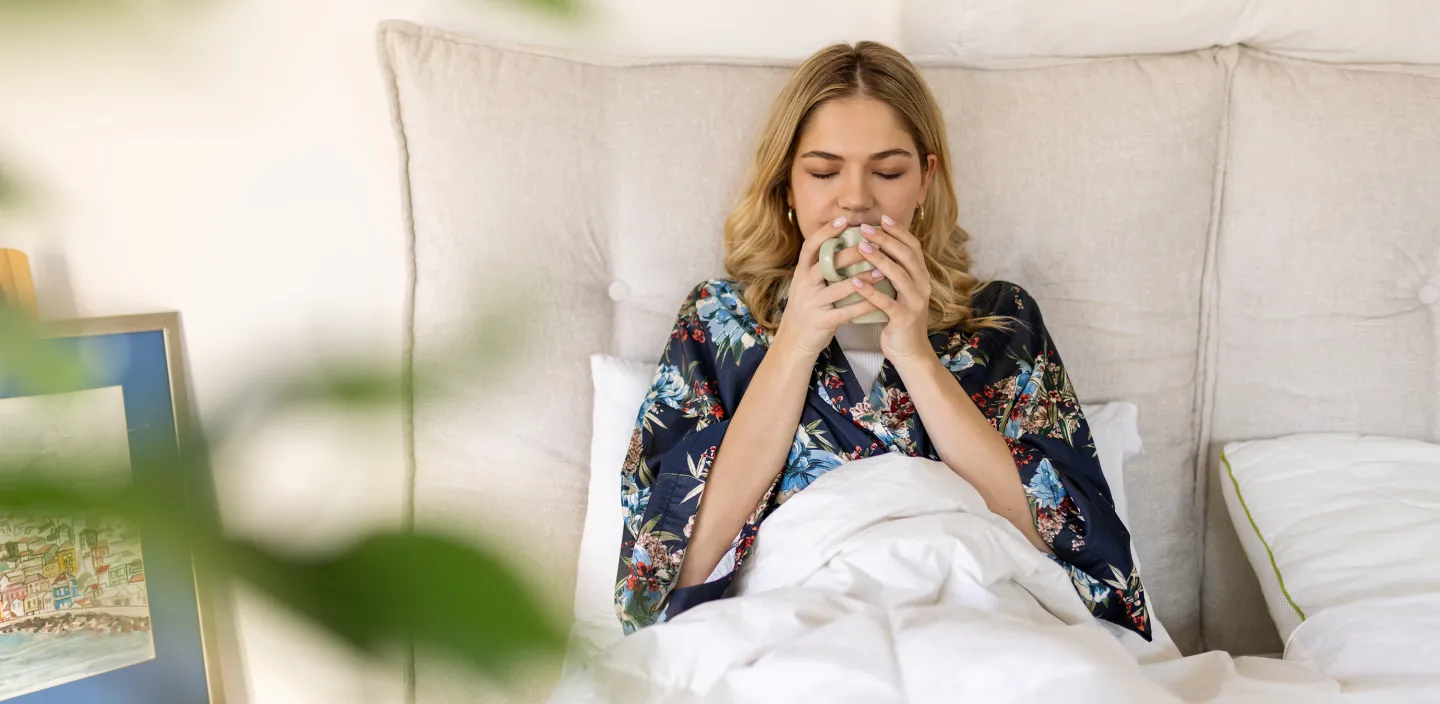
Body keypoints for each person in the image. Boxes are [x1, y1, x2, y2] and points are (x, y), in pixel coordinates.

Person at [614, 41, 1150, 641]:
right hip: (799, 628)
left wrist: (916, 354)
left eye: (888, 172)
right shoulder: (719, 322)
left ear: (925, 181)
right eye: (823, 172)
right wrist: (795, 345)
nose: (855, 198)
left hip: (978, 623)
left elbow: (1083, 551)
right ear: (787, 185)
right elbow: (659, 577)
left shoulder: (1002, 321)